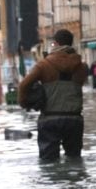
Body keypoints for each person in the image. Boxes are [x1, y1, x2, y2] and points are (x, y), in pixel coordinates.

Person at [18, 29, 89, 161]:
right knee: (74, 159)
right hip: (74, 119)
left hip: (50, 119)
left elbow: (23, 85)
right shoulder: (82, 67)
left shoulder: (43, 65)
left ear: (55, 44)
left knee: (48, 162)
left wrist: (23, 102)